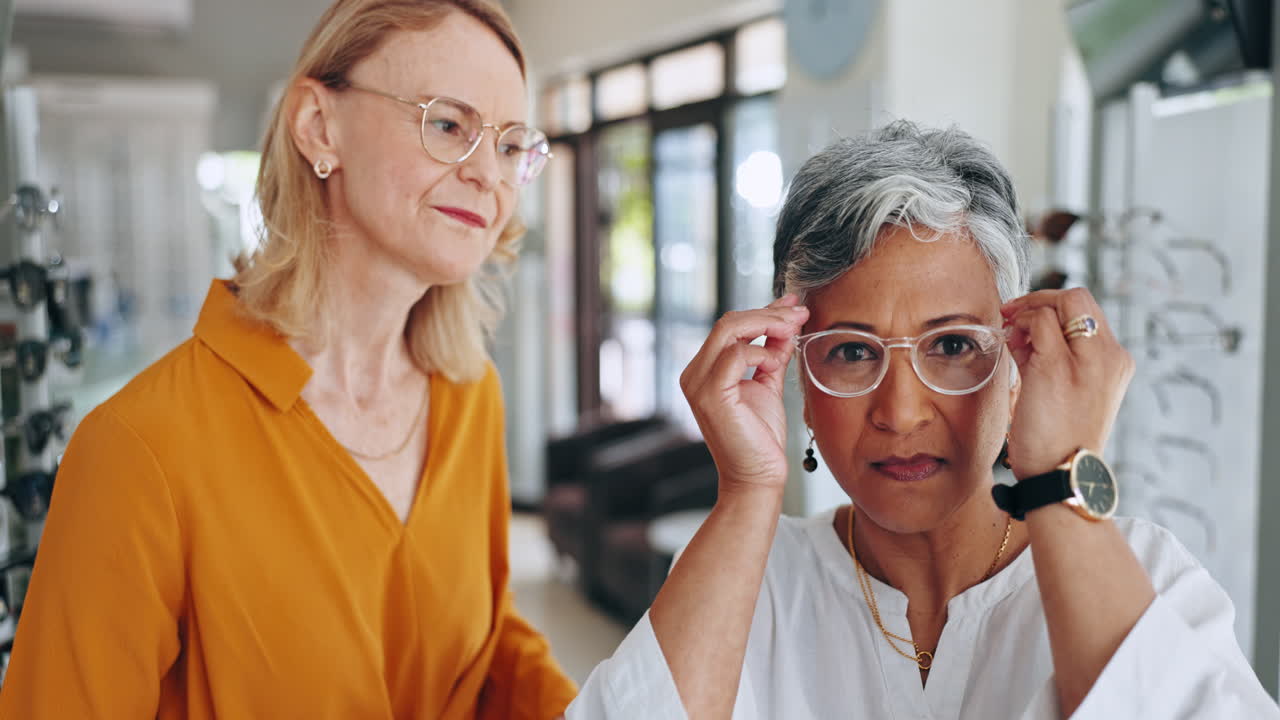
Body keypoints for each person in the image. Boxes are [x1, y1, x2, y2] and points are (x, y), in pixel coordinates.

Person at [566, 121, 1280, 718]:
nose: (900, 412)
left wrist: (1063, 473)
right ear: (797, 377)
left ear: (1014, 360)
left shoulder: (1147, 574)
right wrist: (748, 491)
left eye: (952, 346)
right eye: (850, 351)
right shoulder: (753, 579)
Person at [0, 1, 577, 718]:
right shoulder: (139, 449)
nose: (489, 175)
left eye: (512, 146)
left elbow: (482, 641)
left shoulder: (469, 397)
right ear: (317, 127)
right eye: (449, 125)